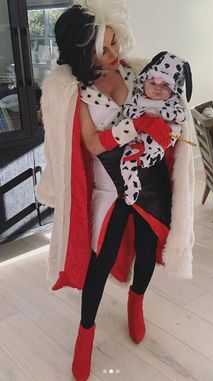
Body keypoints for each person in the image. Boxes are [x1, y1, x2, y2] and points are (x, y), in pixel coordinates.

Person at [36, 1, 195, 380]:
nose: (115, 53)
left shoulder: (137, 73)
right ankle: (86, 331)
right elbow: (91, 145)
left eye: (114, 43)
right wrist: (135, 127)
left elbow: (172, 115)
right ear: (81, 54)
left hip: (150, 184)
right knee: (99, 261)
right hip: (109, 189)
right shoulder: (75, 93)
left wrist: (166, 132)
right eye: (104, 49)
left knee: (146, 247)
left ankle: (136, 302)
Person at [121, 65, 187, 205]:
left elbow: (182, 116)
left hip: (159, 139)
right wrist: (143, 116)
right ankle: (131, 185)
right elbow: (127, 110)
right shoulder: (138, 99)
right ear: (143, 84)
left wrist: (162, 113)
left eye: (165, 85)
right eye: (153, 84)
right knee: (126, 160)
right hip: (136, 140)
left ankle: (149, 157)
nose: (158, 88)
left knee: (155, 145)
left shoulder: (170, 102)